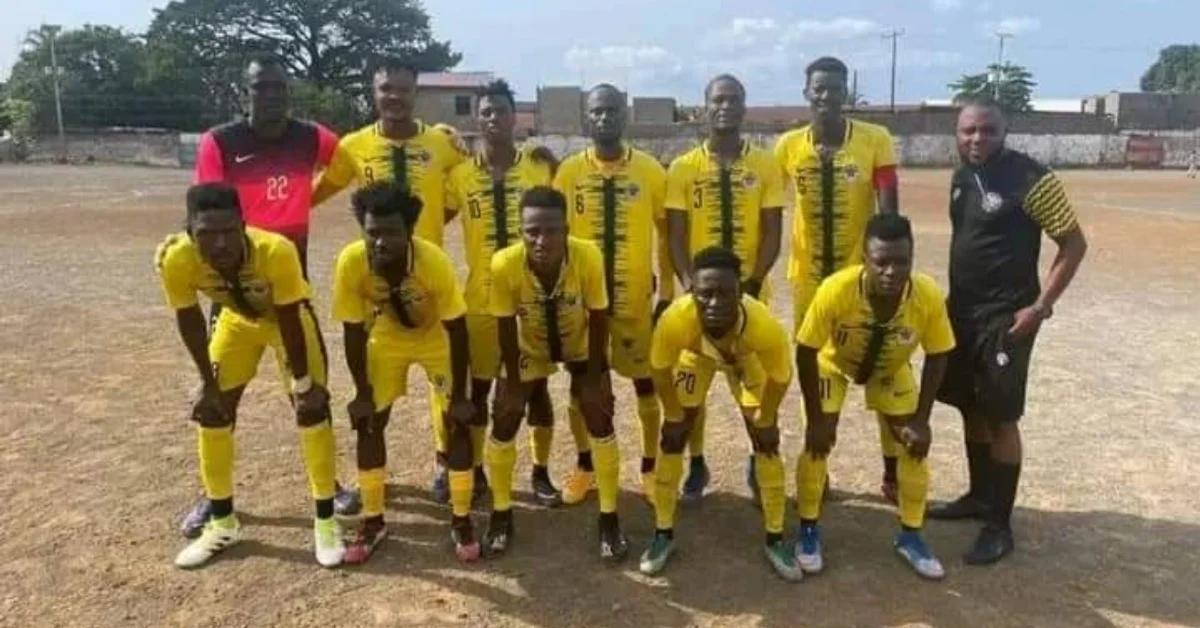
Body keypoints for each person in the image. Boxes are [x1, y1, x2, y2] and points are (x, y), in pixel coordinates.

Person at [182, 54, 356, 538]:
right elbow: (206, 205)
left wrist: (307, 197)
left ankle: (329, 485)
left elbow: (344, 165)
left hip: (290, 295)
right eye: (261, 87)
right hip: (234, 296)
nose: (272, 95)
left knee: (309, 392)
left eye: (279, 87)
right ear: (246, 92)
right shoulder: (221, 141)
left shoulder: (310, 137)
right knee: (220, 397)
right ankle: (213, 495)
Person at [929, 97, 1088, 565]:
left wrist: (1039, 307)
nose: (977, 139)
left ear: (1005, 132)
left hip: (1008, 319)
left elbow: (1074, 244)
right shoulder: (961, 177)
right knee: (969, 406)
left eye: (988, 130)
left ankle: (999, 525)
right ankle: (979, 497)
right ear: (957, 133)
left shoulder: (1031, 179)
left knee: (1001, 416)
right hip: (962, 313)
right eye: (968, 131)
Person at [314, 59, 480, 502]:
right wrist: (265, 214)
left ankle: (445, 462)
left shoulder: (442, 143)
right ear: (373, 92)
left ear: (415, 93)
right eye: (386, 88)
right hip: (378, 291)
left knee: (444, 384)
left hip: (430, 282)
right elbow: (320, 189)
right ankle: (372, 470)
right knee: (375, 383)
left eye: (403, 89)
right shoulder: (354, 146)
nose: (394, 97)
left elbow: (473, 179)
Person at [155, 183, 344, 569]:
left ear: (243, 225)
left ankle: (326, 521)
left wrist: (303, 385)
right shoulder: (176, 258)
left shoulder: (275, 251)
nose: (220, 244)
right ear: (190, 232)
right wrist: (207, 384)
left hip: (286, 322)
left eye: (229, 231)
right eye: (207, 234)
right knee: (213, 412)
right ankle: (223, 523)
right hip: (236, 322)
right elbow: (189, 319)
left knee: (311, 410)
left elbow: (289, 317)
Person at [792, 213, 954, 580]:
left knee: (913, 444)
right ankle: (807, 531)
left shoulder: (926, 295)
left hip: (891, 368)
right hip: (833, 364)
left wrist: (922, 421)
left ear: (912, 259)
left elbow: (939, 354)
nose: (891, 271)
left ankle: (911, 536)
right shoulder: (836, 289)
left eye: (901, 262)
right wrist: (816, 420)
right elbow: (805, 351)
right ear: (865, 259)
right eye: (881, 262)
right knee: (817, 443)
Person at [775, 56, 904, 504]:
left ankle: (892, 472)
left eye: (835, 88)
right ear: (807, 93)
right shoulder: (788, 146)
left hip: (859, 279)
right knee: (815, 370)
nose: (827, 96)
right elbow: (767, 202)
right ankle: (819, 467)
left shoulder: (875, 140)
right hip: (807, 282)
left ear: (846, 92)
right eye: (819, 88)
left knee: (882, 364)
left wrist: (887, 273)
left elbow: (889, 210)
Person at [332, 181, 480, 563]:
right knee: (369, 422)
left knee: (457, 421)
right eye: (372, 233)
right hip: (389, 335)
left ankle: (461, 518)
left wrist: (460, 397)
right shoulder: (351, 262)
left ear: (410, 230)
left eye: (392, 232)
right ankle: (373, 520)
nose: (381, 242)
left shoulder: (433, 262)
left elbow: (457, 329)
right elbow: (352, 330)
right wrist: (361, 393)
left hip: (436, 336)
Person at [640, 247, 802, 581]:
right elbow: (658, 368)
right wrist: (673, 414)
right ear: (692, 293)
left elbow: (781, 376)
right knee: (672, 438)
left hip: (745, 358)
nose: (714, 303)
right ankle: (662, 534)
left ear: (740, 293)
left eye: (725, 293)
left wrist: (766, 418)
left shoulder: (762, 326)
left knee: (766, 441)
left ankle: (775, 538)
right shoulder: (676, 319)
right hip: (696, 356)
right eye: (705, 294)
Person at [487, 186, 626, 560]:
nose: (542, 240)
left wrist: (593, 378)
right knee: (505, 413)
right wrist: (513, 381)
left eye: (551, 230)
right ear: (521, 231)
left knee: (598, 411)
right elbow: (505, 325)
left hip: (580, 343)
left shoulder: (588, 255)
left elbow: (599, 316)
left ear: (566, 229)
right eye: (532, 231)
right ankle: (501, 513)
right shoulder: (503, 264)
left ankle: (609, 517)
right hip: (529, 346)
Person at [665, 73, 785, 503]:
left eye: (733, 99)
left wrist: (751, 285)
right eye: (717, 100)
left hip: (749, 299)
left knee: (753, 390)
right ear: (704, 108)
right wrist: (689, 286)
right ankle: (696, 464)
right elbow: (676, 236)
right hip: (699, 303)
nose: (725, 107)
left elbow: (772, 232)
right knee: (689, 393)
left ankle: (757, 460)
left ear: (743, 107)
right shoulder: (683, 168)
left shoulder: (766, 165)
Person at [445, 79, 562, 508]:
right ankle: (476, 467)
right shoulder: (458, 177)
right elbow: (432, 221)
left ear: (516, 117)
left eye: (501, 111)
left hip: (531, 299)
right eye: (486, 112)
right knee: (478, 390)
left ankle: (541, 471)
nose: (494, 118)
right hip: (479, 301)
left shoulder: (539, 168)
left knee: (535, 389)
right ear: (477, 120)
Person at [554, 84, 670, 504]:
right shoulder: (568, 173)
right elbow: (555, 235)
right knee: (581, 386)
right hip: (583, 307)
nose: (604, 117)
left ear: (626, 115)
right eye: (597, 111)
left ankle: (650, 467)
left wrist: (667, 292)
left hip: (635, 301)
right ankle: (585, 465)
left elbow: (666, 234)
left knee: (645, 384)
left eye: (612, 110)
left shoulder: (651, 171)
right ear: (586, 118)